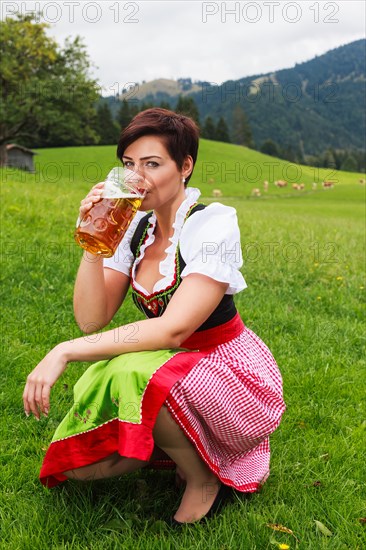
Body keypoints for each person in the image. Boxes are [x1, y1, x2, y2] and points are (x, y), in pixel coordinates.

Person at [23, 108, 286, 525]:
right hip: (168, 361)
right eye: (128, 164)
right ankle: (175, 448)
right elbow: (92, 320)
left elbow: (174, 329)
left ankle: (204, 481)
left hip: (222, 369)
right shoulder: (133, 226)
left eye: (152, 164)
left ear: (185, 167)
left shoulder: (213, 224)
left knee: (134, 371)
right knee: (82, 468)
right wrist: (94, 242)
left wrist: (65, 352)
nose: (137, 177)